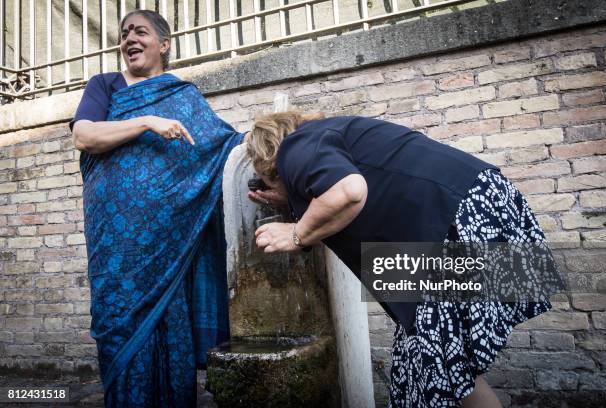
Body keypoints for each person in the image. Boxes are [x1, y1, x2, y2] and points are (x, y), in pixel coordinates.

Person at [244, 111, 554, 408]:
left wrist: (297, 233)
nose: (263, 189)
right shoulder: (323, 139)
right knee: (438, 363)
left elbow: (350, 191)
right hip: (458, 214)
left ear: (270, 161)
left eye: (263, 181)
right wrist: (293, 203)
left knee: (434, 363)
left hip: (454, 218)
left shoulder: (296, 147)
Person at [70, 10, 243, 407]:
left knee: (170, 322)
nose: (129, 37)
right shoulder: (106, 86)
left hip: (169, 246)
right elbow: (84, 135)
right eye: (124, 32)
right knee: (117, 323)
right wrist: (147, 121)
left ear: (163, 44)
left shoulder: (183, 97)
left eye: (140, 31)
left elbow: (220, 148)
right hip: (115, 243)